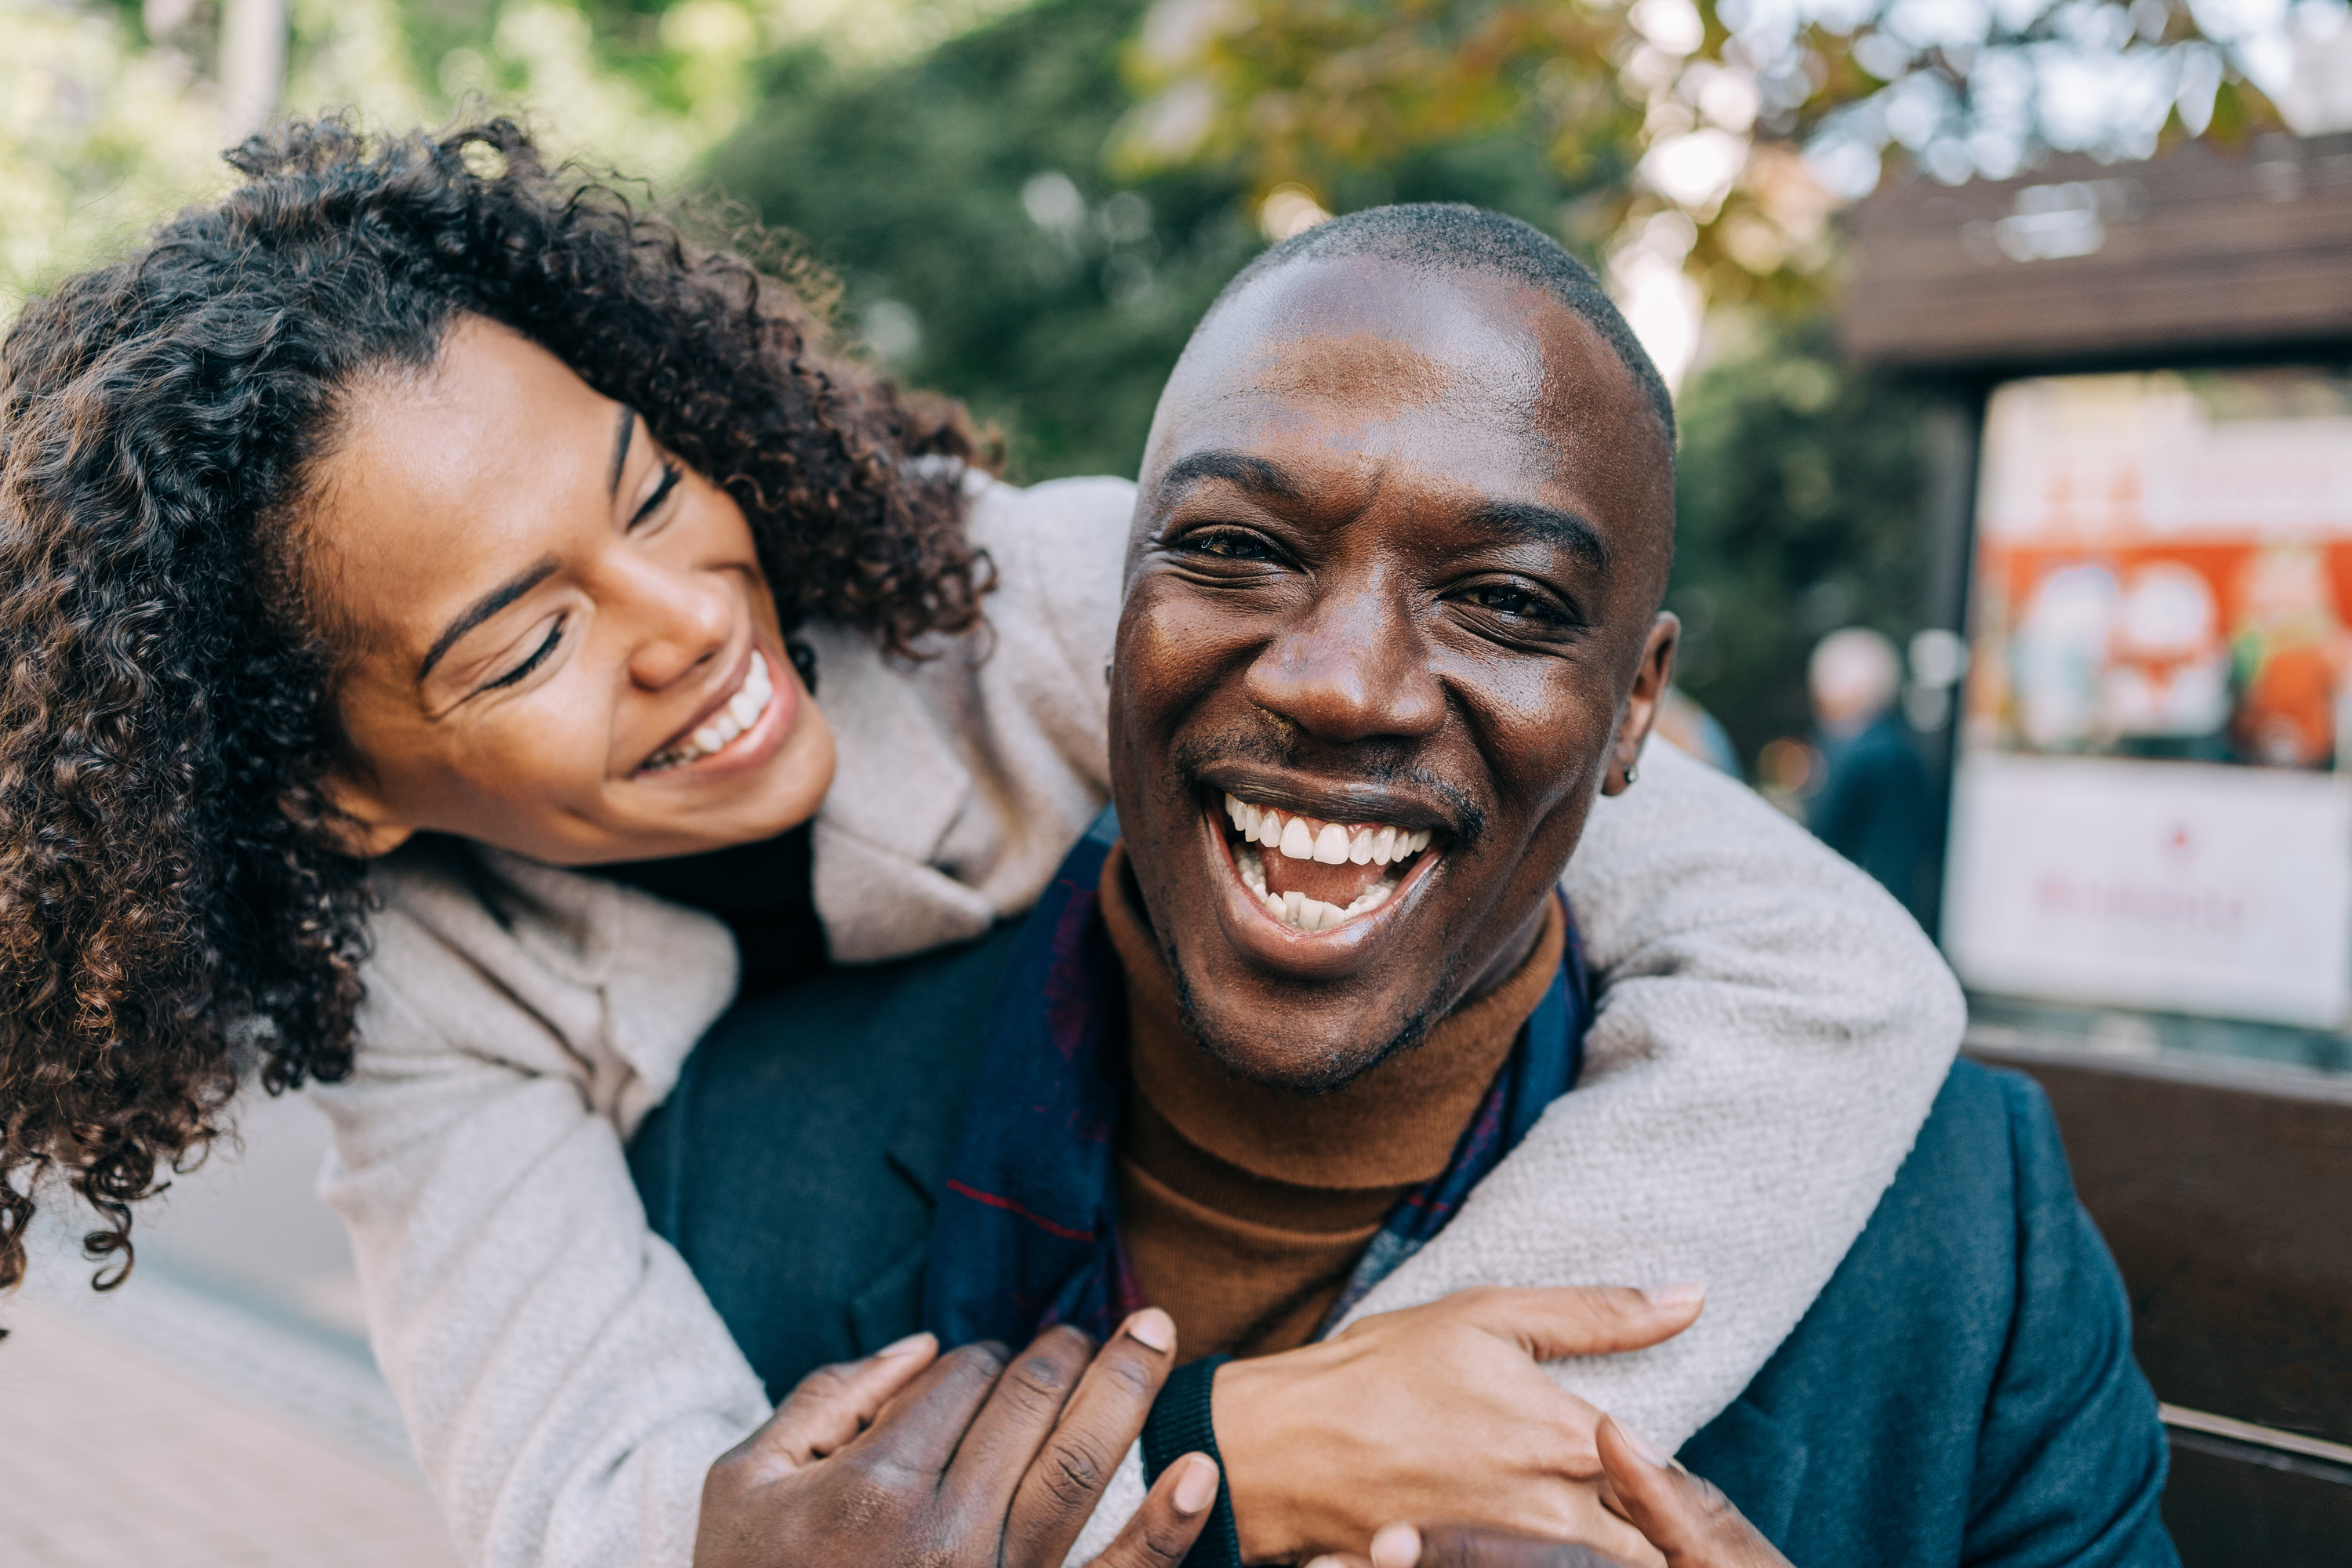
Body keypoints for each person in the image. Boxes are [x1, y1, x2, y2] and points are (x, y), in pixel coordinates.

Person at [0, 119, 1955, 1568]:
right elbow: (620, 1520)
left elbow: (1826, 964)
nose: (682, 615)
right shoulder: (427, 998)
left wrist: (1443, 1411)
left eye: (648, 488)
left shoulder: (1031, 591)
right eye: (525, 635)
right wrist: (1245, 1458)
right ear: (336, 787)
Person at [631, 205, 2180, 1567]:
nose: (1345, 684)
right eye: (1238, 549)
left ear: (1634, 707)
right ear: (1111, 614)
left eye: (1504, 598)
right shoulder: (747, 1132)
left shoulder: (1964, 1227)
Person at [1805, 626, 1933, 921]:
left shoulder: (1855, 754)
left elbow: (1823, 833)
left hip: (1856, 902)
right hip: (1899, 900)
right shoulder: (1904, 747)